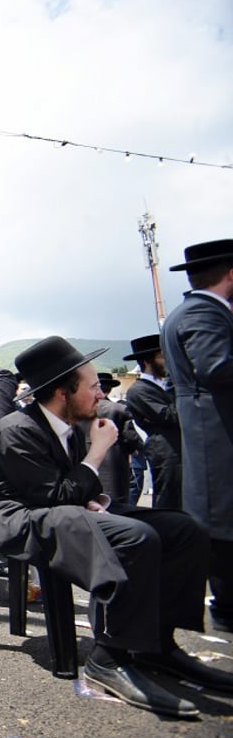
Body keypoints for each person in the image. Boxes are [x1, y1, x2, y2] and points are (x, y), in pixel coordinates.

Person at [0, 336, 233, 716]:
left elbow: (79, 490)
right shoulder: (17, 430)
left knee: (181, 528)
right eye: (93, 386)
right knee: (134, 537)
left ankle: (157, 644)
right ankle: (108, 657)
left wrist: (96, 501)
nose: (100, 394)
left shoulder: (71, 424)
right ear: (63, 392)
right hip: (18, 520)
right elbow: (52, 497)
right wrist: (97, 453)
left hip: (60, 510)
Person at [161, 238, 233, 633]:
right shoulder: (202, 315)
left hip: (211, 442)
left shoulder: (191, 313)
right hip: (218, 442)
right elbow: (217, 367)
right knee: (222, 531)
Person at [123, 334, 183, 509]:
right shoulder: (138, 390)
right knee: (170, 502)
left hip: (180, 448)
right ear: (147, 361)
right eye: (162, 357)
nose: (167, 362)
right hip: (166, 453)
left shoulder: (164, 386)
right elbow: (170, 416)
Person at [91, 372, 141, 508]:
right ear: (110, 389)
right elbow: (131, 438)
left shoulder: (81, 410)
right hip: (114, 469)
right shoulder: (119, 410)